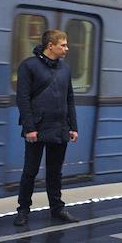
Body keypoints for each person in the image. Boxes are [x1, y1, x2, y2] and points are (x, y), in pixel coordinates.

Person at [13, 29, 79, 226]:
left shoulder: (65, 69)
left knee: (55, 172)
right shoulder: (29, 66)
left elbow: (69, 98)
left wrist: (73, 126)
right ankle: (23, 210)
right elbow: (23, 98)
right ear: (50, 46)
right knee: (30, 171)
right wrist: (29, 128)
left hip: (60, 127)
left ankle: (57, 209)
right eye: (63, 45)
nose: (67, 48)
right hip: (38, 127)